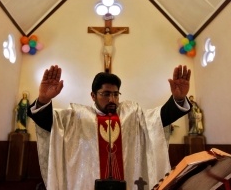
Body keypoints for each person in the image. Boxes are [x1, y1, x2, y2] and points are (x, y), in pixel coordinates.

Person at [27, 65, 191, 190]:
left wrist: (177, 99)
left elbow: (159, 118)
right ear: (93, 95)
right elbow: (50, 123)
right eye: (105, 94)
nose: (112, 99)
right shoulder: (76, 117)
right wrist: (43, 100)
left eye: (115, 94)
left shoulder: (132, 114)